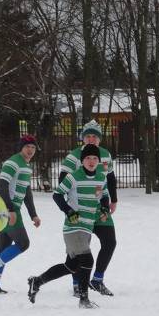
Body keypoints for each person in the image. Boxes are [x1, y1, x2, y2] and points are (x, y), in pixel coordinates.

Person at [27, 144, 110, 309]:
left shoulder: (101, 177)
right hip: (73, 227)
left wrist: (104, 209)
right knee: (87, 260)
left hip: (87, 227)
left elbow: (103, 196)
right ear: (82, 161)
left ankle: (37, 281)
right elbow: (57, 195)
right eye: (88, 158)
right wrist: (69, 211)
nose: (91, 161)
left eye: (94, 158)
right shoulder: (74, 176)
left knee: (72, 266)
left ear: (99, 161)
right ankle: (84, 299)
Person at [59, 120, 118, 296]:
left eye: (95, 136)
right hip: (80, 209)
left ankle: (97, 279)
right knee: (78, 248)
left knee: (110, 242)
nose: (91, 139)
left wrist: (111, 201)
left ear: (99, 139)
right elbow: (63, 179)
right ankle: (77, 283)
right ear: (83, 138)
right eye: (88, 136)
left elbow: (110, 179)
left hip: (99, 208)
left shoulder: (105, 155)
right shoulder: (73, 155)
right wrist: (70, 205)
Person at [0, 135, 41, 293]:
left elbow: (27, 192)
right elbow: (2, 186)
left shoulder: (27, 166)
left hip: (13, 209)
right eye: (27, 147)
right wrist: (10, 209)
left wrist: (33, 215)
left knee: (3, 248)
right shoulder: (13, 162)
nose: (30, 150)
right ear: (21, 148)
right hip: (8, 209)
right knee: (23, 244)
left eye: (33, 148)